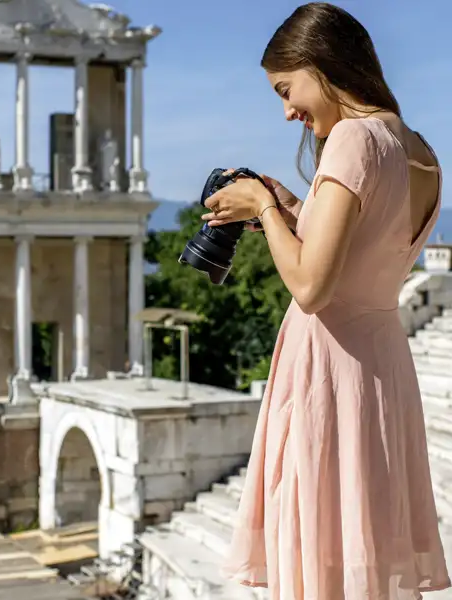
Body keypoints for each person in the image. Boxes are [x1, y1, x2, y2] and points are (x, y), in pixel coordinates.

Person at [201, 3, 450, 599]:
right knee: (355, 546)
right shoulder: (418, 149)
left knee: (321, 559)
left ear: (321, 65)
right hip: (381, 367)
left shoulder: (353, 139)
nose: (288, 111)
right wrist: (291, 207)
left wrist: (261, 209)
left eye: (288, 89)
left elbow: (312, 288)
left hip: (330, 372)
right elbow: (363, 250)